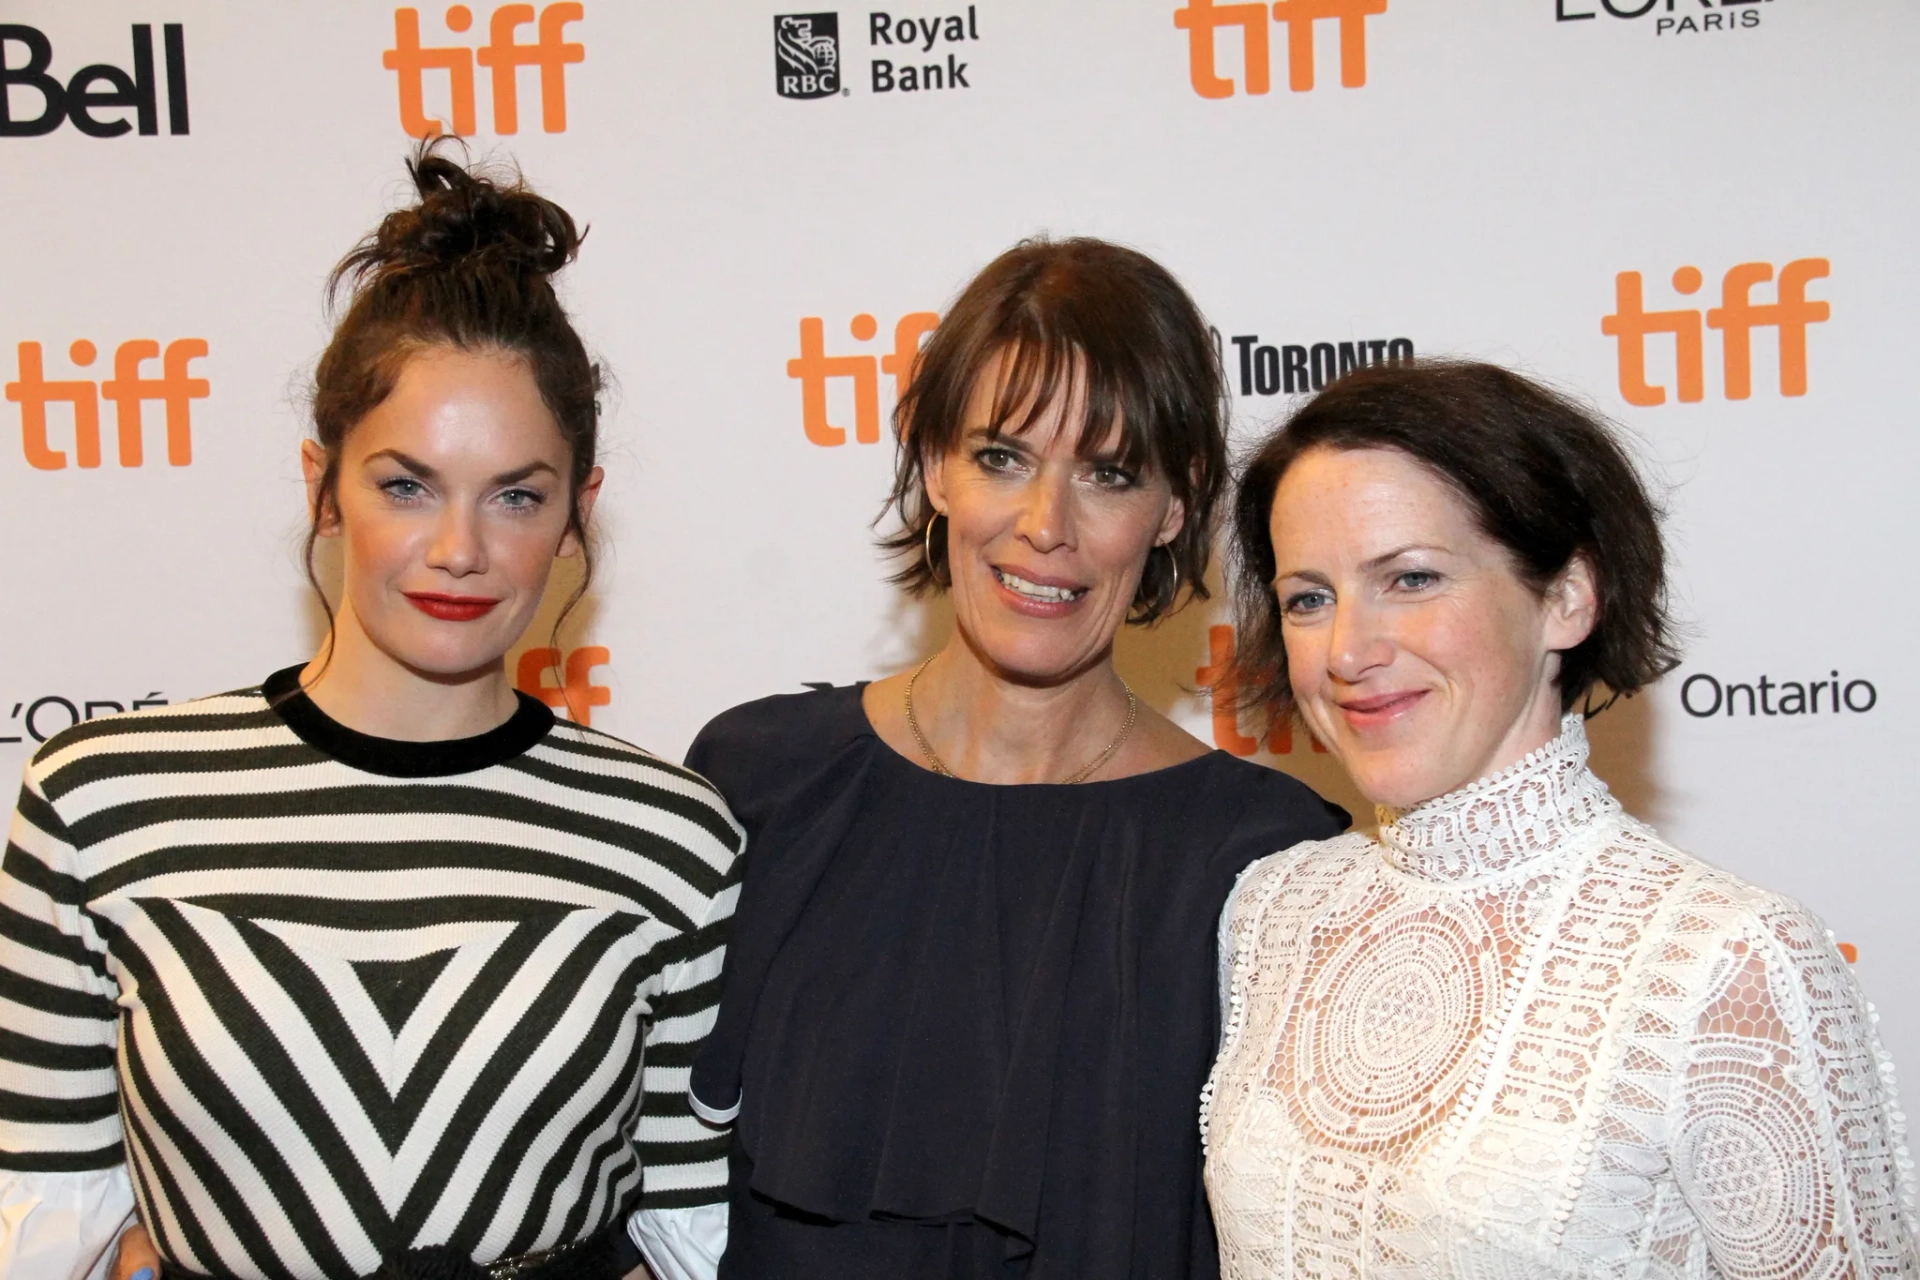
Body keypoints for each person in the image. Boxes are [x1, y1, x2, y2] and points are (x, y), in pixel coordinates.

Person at [0, 145, 740, 1280]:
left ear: (578, 508)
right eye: (405, 483)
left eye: (517, 494)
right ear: (320, 484)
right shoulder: (100, 803)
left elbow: (689, 1237)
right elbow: (44, 1214)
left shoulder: (675, 838)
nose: (460, 548)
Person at [684, 237, 1347, 1280]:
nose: (1048, 525)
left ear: (1175, 507)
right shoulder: (759, 781)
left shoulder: (1271, 862)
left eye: (1109, 473)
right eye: (1003, 456)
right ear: (934, 460)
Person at [1202, 360, 1918, 1277]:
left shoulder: (1726, 960)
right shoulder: (1272, 912)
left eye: (1412, 579)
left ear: (1568, 597)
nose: (1348, 650)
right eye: (1310, 598)